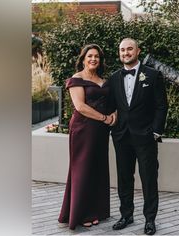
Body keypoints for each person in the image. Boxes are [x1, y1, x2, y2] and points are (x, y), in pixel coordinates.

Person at [108, 38, 168, 235]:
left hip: (146, 137)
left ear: (138, 51)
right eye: (122, 50)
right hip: (121, 136)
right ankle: (126, 215)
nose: (126, 53)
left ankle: (150, 219)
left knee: (149, 178)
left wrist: (156, 131)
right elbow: (111, 106)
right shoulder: (114, 77)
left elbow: (161, 105)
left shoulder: (153, 75)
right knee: (124, 178)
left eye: (129, 49)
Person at [58, 44, 115, 230]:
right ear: (83, 59)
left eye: (97, 56)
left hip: (100, 131)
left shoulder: (103, 80)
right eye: (89, 56)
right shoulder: (77, 79)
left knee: (97, 169)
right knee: (82, 169)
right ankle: (80, 214)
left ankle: (96, 210)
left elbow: (113, 103)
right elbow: (80, 107)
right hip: (83, 129)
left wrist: (115, 115)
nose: (93, 59)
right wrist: (105, 118)